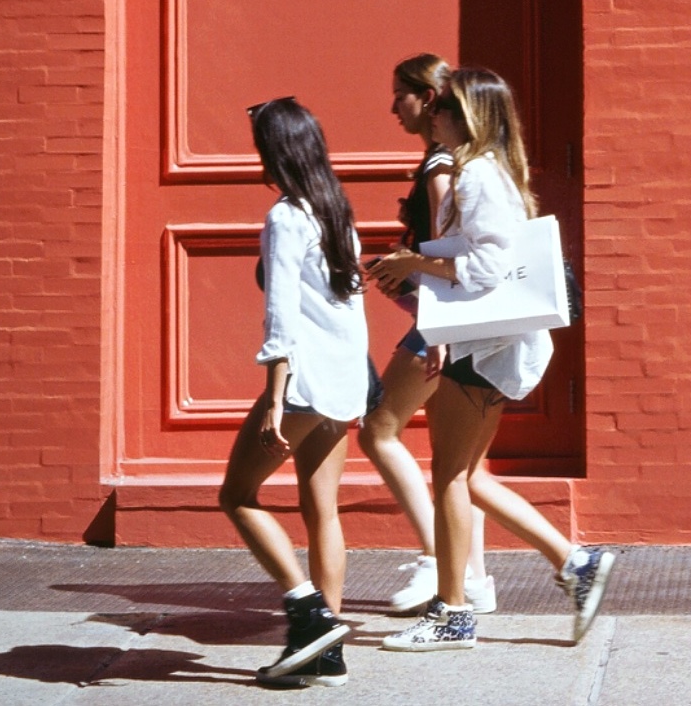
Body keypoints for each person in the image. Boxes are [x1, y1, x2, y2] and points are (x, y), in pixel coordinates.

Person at [370, 68, 615, 651]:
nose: (434, 116)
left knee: (451, 475)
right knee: (467, 475)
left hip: (482, 349)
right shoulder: (495, 169)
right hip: (490, 347)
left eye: (446, 108)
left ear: (468, 115)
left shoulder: (475, 174)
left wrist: (412, 265)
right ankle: (573, 563)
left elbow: (484, 270)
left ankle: (453, 613)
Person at [218, 97, 371, 688]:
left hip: (304, 383)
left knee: (237, 495)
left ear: (272, 152)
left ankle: (308, 614)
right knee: (321, 509)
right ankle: (328, 656)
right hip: (341, 382)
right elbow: (348, 308)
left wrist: (275, 397)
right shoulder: (335, 209)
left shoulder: (286, 216)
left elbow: (281, 317)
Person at [357, 53, 494, 615]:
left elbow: (446, 253)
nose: (393, 107)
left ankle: (439, 560)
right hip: (449, 324)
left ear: (428, 98)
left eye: (401, 96)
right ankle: (474, 579)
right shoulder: (444, 159)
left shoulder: (439, 166)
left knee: (377, 430)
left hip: (442, 326)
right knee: (457, 463)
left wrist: (430, 322)